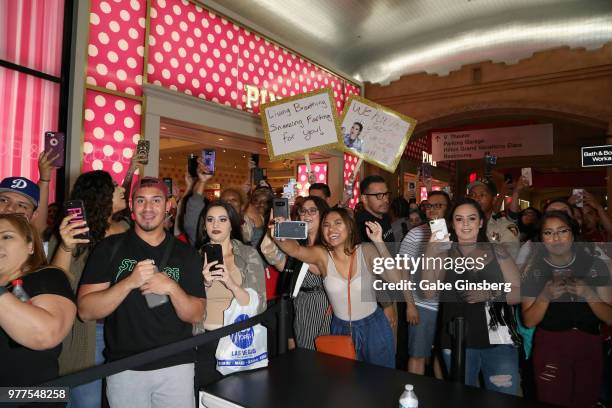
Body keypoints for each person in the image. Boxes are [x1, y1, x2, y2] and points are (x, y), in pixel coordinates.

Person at [77, 177, 206, 408]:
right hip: (125, 366)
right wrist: (129, 282)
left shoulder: (186, 253)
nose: (148, 208)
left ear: (168, 205)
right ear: (131, 204)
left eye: (156, 200)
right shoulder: (109, 248)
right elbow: (86, 311)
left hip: (177, 364)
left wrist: (171, 288)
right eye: (141, 201)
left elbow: (196, 314)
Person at [272, 208, 412, 368]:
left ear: (350, 227)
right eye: (326, 225)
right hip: (341, 329)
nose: (331, 229)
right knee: (345, 384)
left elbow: (396, 280)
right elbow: (295, 250)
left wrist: (379, 243)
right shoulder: (322, 255)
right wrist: (279, 232)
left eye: (338, 223)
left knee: (380, 381)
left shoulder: (366, 250)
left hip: (373, 327)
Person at [423, 198, 522, 395]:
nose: (466, 224)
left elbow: (518, 292)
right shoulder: (444, 253)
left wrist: (490, 293)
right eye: (459, 219)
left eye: (471, 218)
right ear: (452, 223)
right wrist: (429, 251)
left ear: (481, 222)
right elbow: (428, 291)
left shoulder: (497, 251)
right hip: (457, 338)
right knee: (462, 399)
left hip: (498, 339)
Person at [50, 170, 129, 408]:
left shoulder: (124, 230)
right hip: (84, 330)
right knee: (86, 399)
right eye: (116, 186)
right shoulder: (71, 235)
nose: (123, 189)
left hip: (117, 327)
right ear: (102, 195)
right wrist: (65, 247)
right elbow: (56, 283)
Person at [521, 211, 612, 407]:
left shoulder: (596, 265)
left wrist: (588, 293)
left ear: (572, 233)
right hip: (551, 347)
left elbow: (609, 317)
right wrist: (545, 295)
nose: (556, 238)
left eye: (562, 231)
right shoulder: (534, 269)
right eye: (548, 233)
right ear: (541, 238)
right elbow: (529, 320)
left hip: (589, 346)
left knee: (586, 401)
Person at [0, 213, 76, 387]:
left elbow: (46, 334)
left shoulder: (46, 277)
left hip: (29, 397)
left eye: (7, 236)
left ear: (30, 247)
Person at [196, 200, 266, 385]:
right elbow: (189, 305)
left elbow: (258, 304)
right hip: (203, 339)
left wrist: (231, 283)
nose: (215, 225)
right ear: (204, 225)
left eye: (222, 219)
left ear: (231, 224)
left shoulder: (248, 254)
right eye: (210, 220)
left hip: (237, 340)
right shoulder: (194, 257)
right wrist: (205, 283)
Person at [260, 196, 332, 350]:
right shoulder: (297, 246)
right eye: (303, 211)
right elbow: (277, 261)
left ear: (324, 214)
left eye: (312, 211)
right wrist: (272, 230)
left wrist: (283, 237)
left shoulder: (329, 247)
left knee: (327, 360)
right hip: (301, 309)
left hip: (324, 308)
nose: (306, 215)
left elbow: (312, 263)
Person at [399, 191, 451, 376]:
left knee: (442, 355)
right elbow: (402, 272)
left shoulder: (456, 234)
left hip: (448, 307)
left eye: (439, 205)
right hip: (422, 305)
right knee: (418, 354)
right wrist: (410, 305)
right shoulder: (415, 234)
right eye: (429, 205)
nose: (433, 209)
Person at [468, 179, 520, 258]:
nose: (476, 199)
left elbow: (508, 258)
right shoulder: (461, 224)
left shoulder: (506, 227)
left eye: (482, 195)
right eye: (472, 195)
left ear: (494, 200)